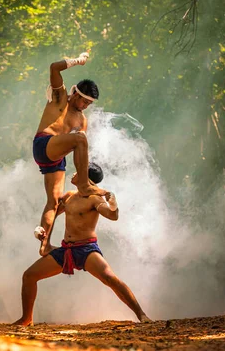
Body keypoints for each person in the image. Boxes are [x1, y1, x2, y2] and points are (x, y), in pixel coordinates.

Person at [14, 163, 152, 325]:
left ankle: (142, 315)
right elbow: (52, 213)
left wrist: (113, 204)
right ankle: (26, 319)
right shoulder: (69, 196)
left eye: (78, 171)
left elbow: (113, 216)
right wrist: (44, 234)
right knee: (29, 276)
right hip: (66, 249)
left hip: (86, 249)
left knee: (109, 278)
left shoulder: (94, 199)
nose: (74, 173)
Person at [33, 51, 106, 256]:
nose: (84, 106)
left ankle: (44, 245)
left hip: (57, 158)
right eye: (84, 101)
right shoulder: (60, 98)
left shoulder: (82, 120)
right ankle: (84, 184)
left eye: (89, 104)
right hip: (44, 144)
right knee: (80, 139)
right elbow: (54, 68)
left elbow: (78, 153)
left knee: (55, 203)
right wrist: (78, 61)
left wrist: (87, 173)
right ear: (76, 94)